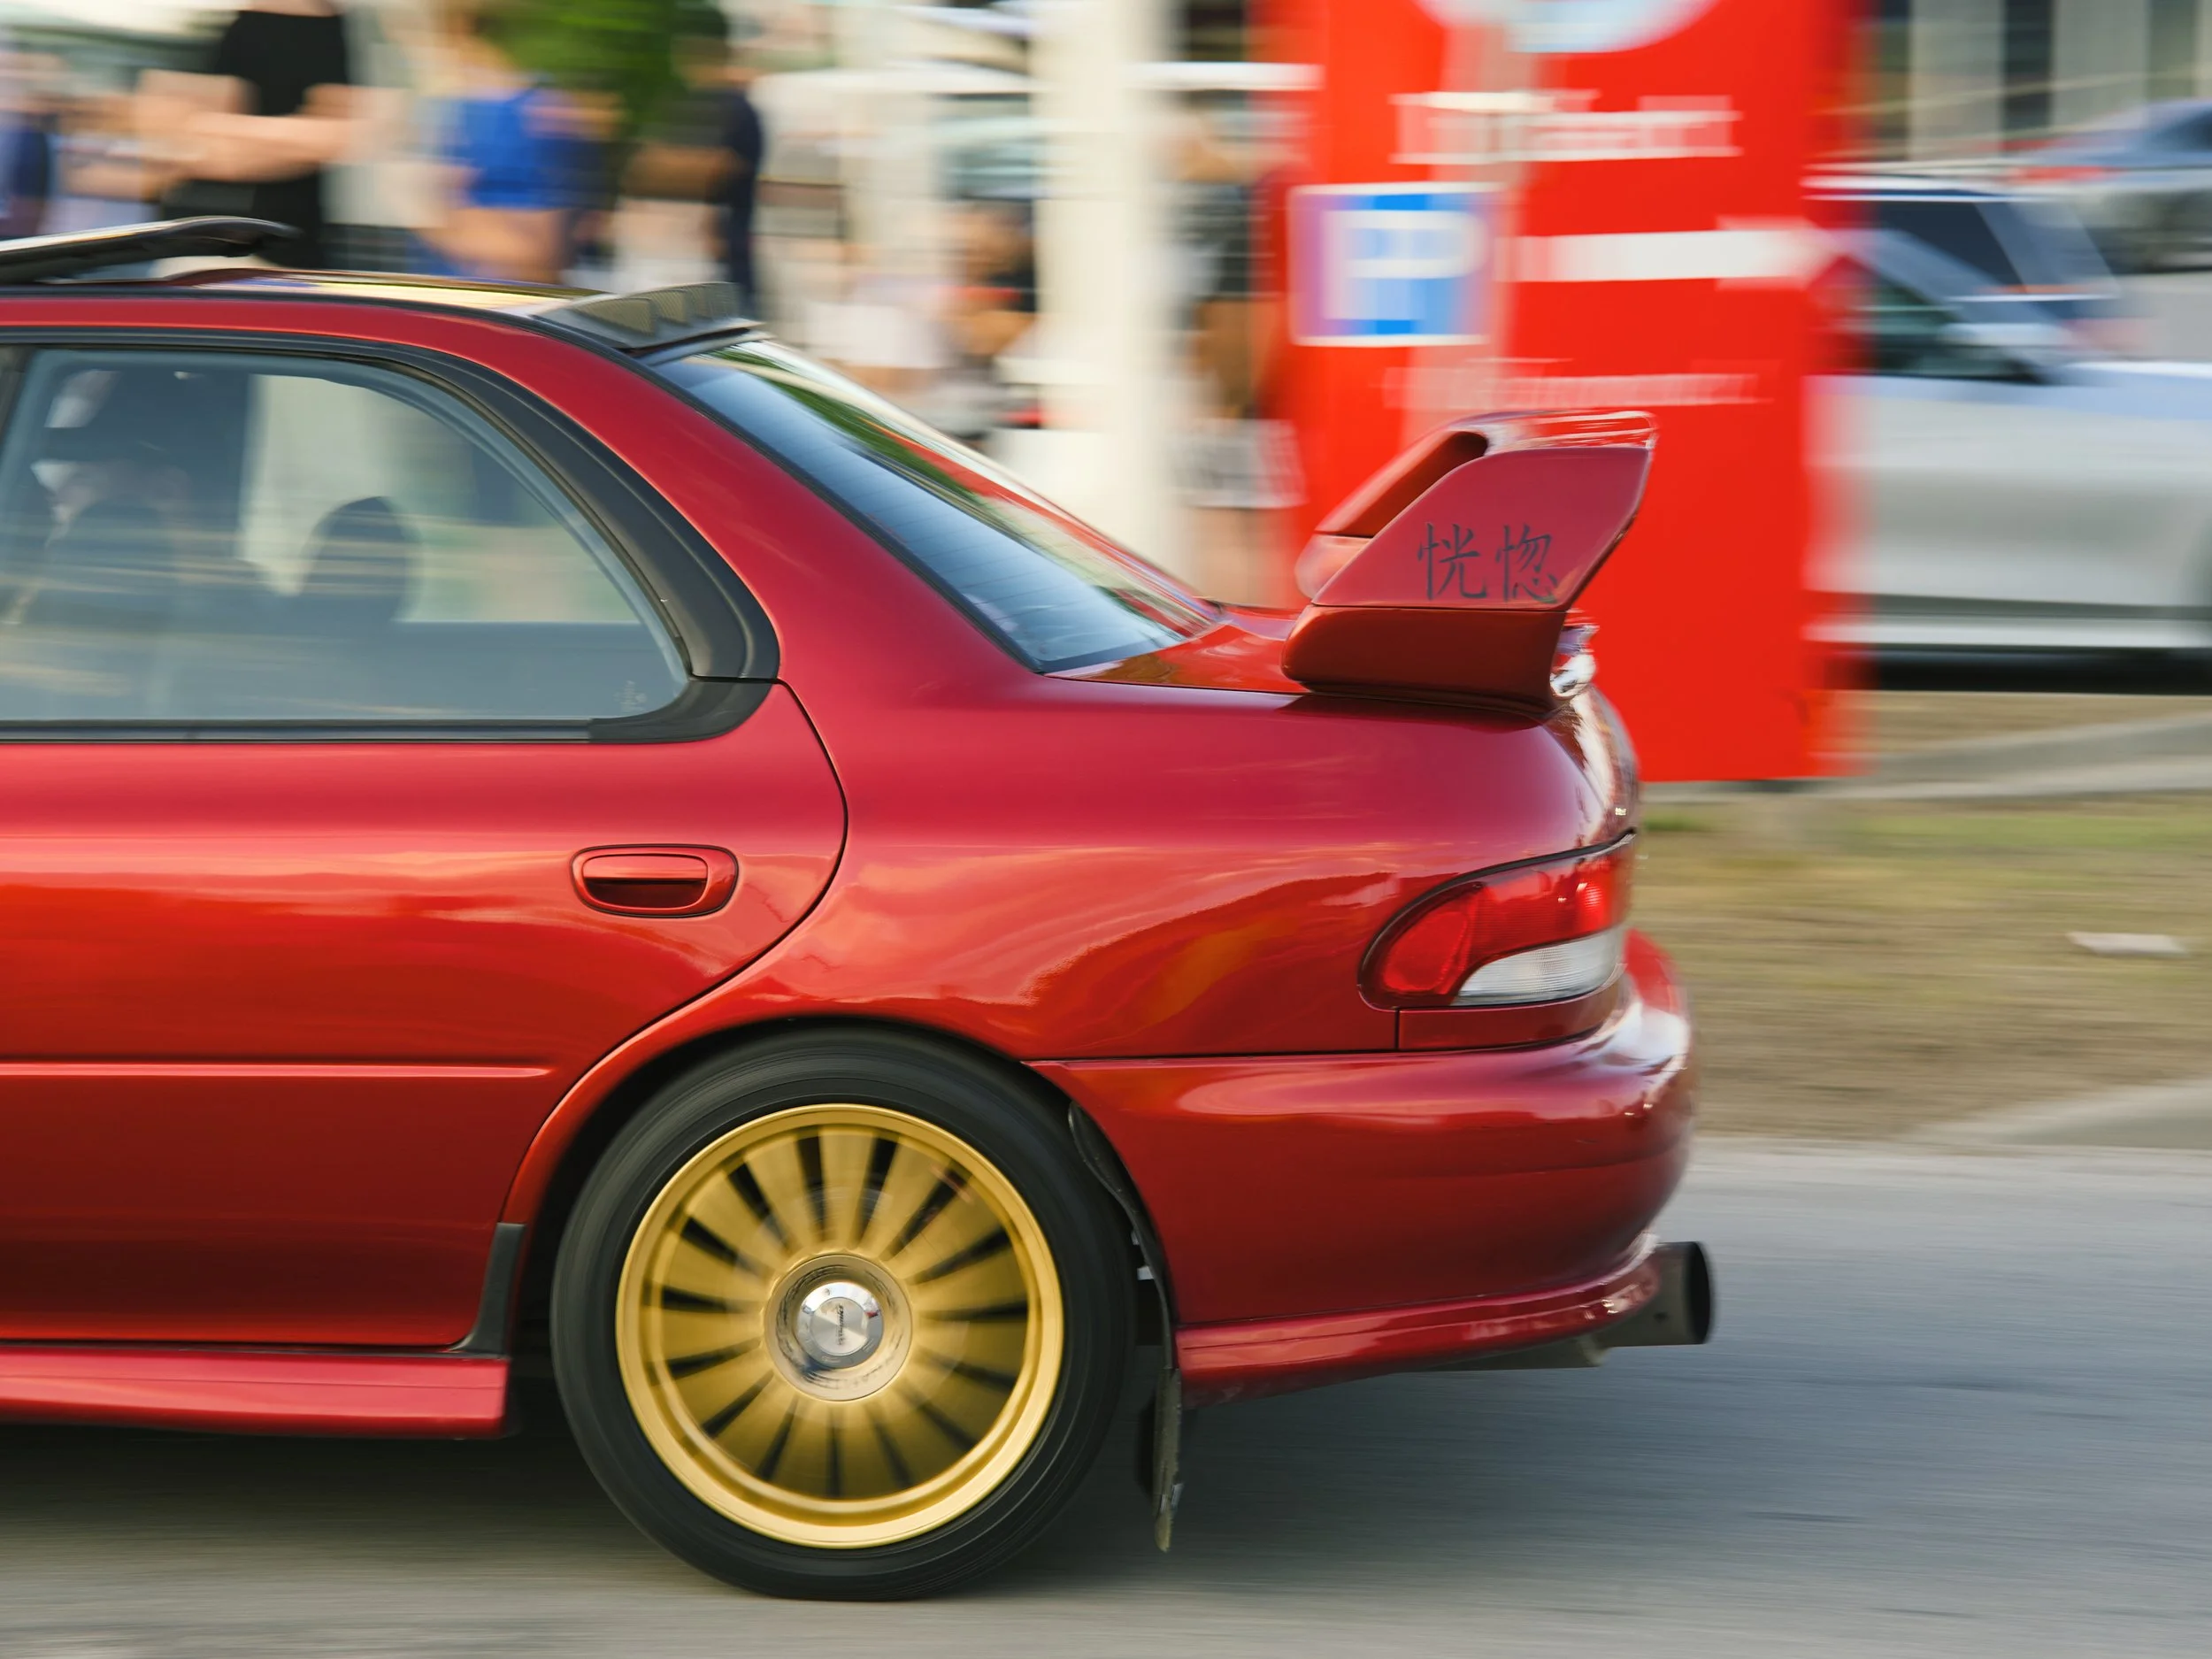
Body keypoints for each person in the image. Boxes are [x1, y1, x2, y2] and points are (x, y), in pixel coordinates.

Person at [156, 0, 355, 268]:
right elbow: (190, 137)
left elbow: (333, 137)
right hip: (208, 244)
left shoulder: (333, 27)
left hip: (279, 248)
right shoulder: (230, 23)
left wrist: (218, 135)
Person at [418, 1, 581, 285]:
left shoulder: (530, 114)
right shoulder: (446, 109)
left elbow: (536, 252)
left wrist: (424, 213)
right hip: (450, 292)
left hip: (493, 298)